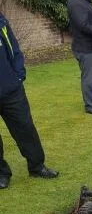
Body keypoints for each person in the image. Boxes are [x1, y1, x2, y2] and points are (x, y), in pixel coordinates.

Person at [0, 12, 59, 189]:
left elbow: (14, 49)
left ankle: (37, 166)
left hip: (11, 89)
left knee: (25, 127)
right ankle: (2, 173)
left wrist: (18, 76)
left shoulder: (1, 21)